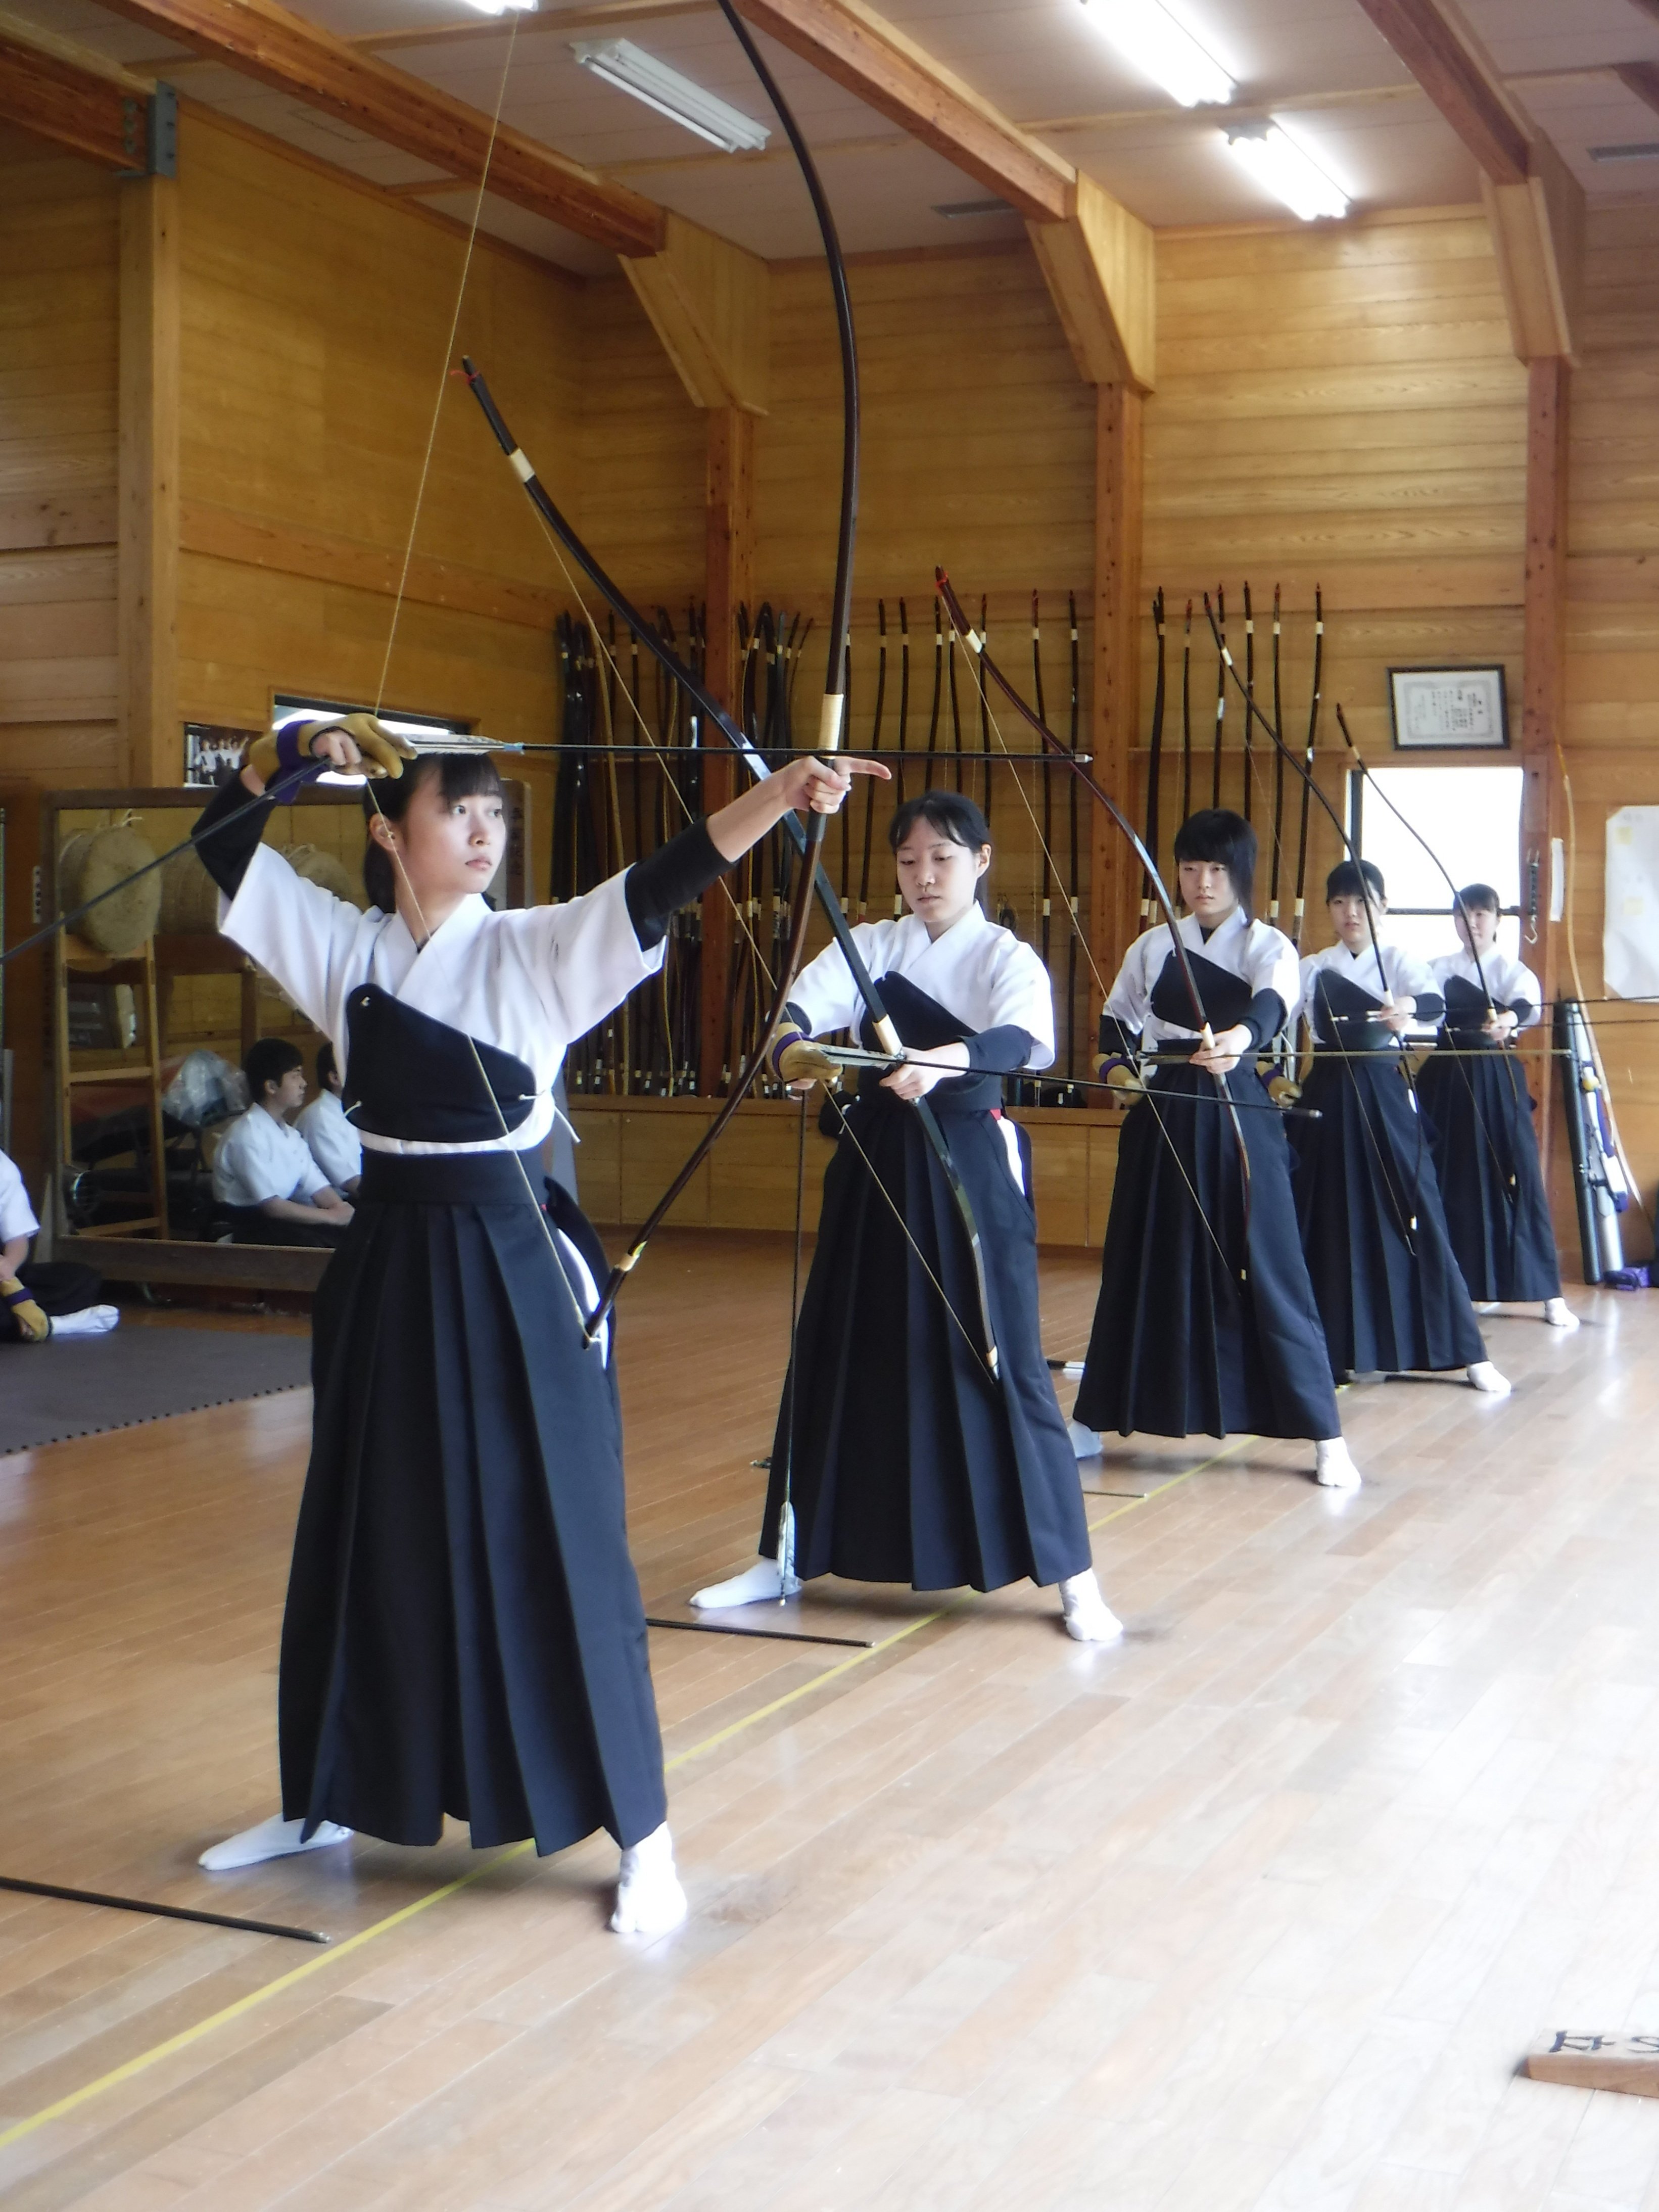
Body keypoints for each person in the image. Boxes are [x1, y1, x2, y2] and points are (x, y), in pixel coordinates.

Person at [192, 710, 881, 1937]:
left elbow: (666, 882)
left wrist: (776, 798)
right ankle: (330, 1798)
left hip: (512, 1269)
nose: (483, 830)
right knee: (366, 1526)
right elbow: (224, 841)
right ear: (388, 834)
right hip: (389, 1265)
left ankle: (645, 1833)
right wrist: (285, 756)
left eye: (494, 811)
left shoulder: (530, 948)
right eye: (455, 810)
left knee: (557, 1540)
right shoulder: (345, 949)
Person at [692, 791, 1120, 1643]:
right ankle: (781, 1552)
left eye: (942, 859)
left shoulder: (1007, 955)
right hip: (876, 1163)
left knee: (1002, 1359)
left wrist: (943, 1058)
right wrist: (796, 1057)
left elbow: (1019, 1042)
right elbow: (795, 1016)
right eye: (908, 861)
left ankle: (1076, 1576)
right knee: (833, 1348)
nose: (924, 876)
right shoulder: (871, 946)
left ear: (982, 861)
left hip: (966, 1161)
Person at [1068, 810, 1364, 1489]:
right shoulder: (1150, 946)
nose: (1201, 883)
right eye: (1190, 867)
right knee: (1141, 1257)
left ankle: (1325, 1434)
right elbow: (1116, 1025)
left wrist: (1238, 1039)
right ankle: (1093, 1417)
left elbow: (1272, 1003)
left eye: (1217, 869)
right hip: (1165, 1110)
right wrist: (1120, 1077)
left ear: (1241, 874)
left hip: (1237, 1109)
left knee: (1269, 1263)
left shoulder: (1267, 943)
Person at [1291, 861, 1509, 1394]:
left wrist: (1406, 1006)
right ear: (1329, 910)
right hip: (1326, 1091)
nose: (1350, 914)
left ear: (1382, 907)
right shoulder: (1314, 965)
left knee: (1418, 1206)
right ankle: (1330, 1349)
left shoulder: (1401, 960)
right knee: (1321, 1215)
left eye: (1363, 902)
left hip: (1383, 1091)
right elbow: (1278, 1020)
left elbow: (1433, 1003)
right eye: (1340, 903)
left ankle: (1467, 1350)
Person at [1419, 883, 1577, 1328]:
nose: (1470, 923)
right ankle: (1459, 1284)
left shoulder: (1512, 970)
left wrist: (1507, 1017)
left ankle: (1548, 1294)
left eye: (1480, 914)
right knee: (1449, 1178)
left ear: (1496, 920)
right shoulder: (1437, 968)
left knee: (1518, 1173)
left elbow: (1526, 1006)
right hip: (1446, 1076)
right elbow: (1424, 1007)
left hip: (1493, 1076)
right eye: (1461, 914)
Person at [211, 1037, 355, 1247]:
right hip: (244, 1229)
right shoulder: (246, 1135)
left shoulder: (291, 1136)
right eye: (295, 1075)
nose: (304, 1083)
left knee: (357, 1237)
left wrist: (341, 1210)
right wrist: (333, 1217)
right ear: (271, 1086)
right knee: (320, 1246)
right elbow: (273, 1207)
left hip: (278, 1224)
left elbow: (317, 1186)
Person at [0, 1144, 117, 1341]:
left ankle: (28, 1322)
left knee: (83, 1279)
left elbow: (18, 1239)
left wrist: (9, 1267)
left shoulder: (3, 1168)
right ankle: (54, 1325)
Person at [296, 1040, 362, 1197]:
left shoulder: (356, 1108)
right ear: (335, 1078)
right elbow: (351, 1182)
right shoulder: (320, 1117)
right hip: (331, 1207)